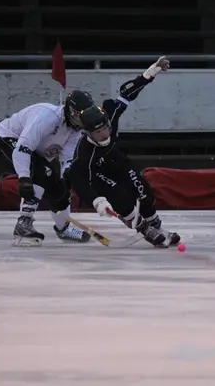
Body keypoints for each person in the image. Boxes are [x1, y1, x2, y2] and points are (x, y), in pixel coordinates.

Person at [66, 56, 180, 248]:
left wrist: (150, 72)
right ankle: (144, 229)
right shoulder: (84, 152)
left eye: (105, 129)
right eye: (98, 132)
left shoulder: (111, 114)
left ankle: (155, 224)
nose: (103, 134)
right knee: (119, 196)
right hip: (97, 173)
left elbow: (126, 93)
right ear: (88, 132)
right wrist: (97, 201)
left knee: (142, 189)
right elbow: (80, 180)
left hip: (116, 160)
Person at [0, 90, 94, 246]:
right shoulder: (47, 117)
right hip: (6, 140)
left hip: (32, 153)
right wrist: (24, 178)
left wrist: (67, 176)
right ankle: (23, 224)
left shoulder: (75, 131)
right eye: (81, 114)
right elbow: (23, 147)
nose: (84, 119)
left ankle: (64, 229)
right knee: (41, 173)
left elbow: (68, 157)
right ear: (71, 110)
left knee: (59, 188)